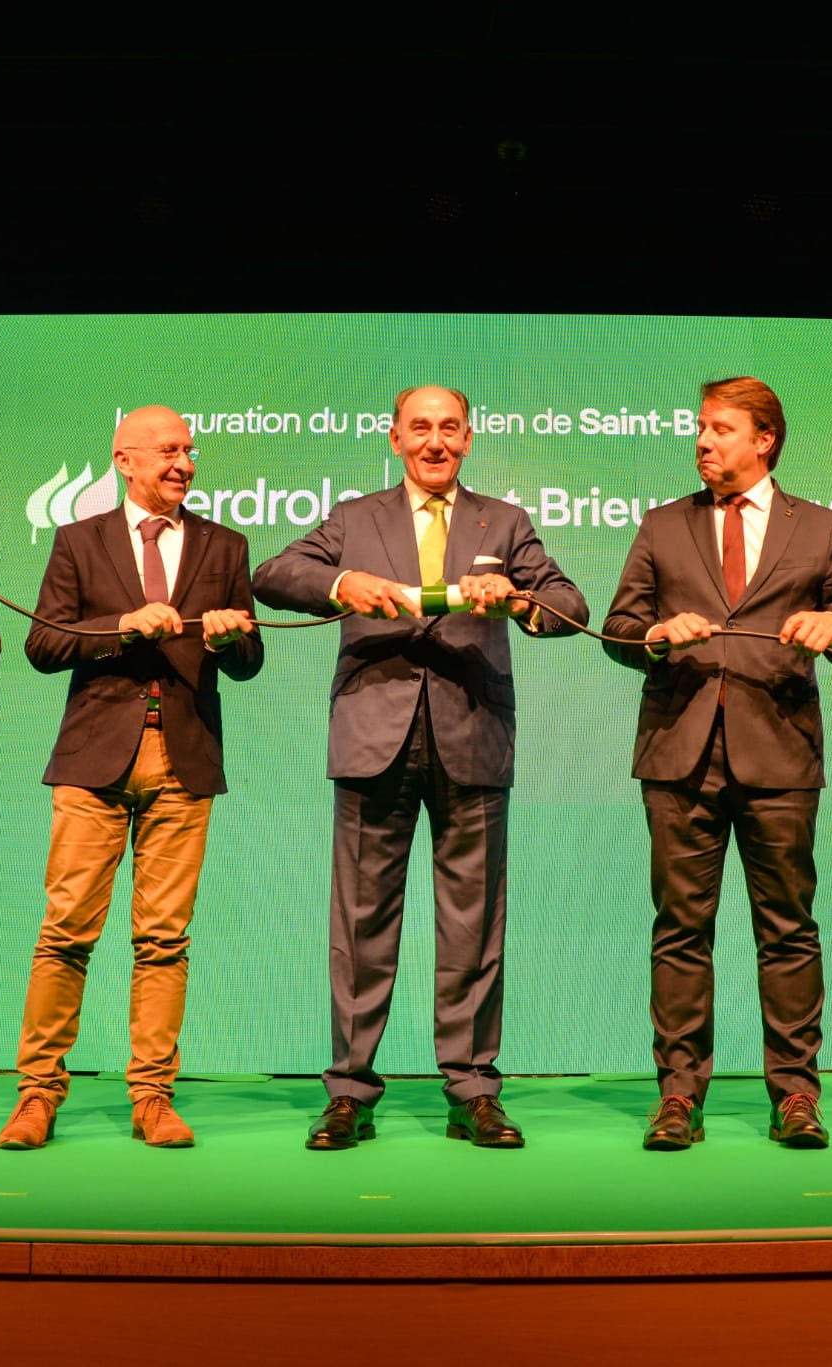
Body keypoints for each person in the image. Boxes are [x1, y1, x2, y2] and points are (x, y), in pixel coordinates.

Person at [252, 384, 586, 1151]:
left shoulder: (502, 520)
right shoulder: (354, 517)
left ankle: (473, 1089)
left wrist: (520, 598)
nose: (435, 441)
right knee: (360, 922)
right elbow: (272, 574)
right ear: (395, 436)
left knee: (473, 925)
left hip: (472, 736)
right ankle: (348, 1090)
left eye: (449, 428)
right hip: (375, 735)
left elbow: (571, 603)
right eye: (420, 428)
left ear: (468, 438)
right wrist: (341, 583)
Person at [601, 376, 832, 1151]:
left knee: (787, 929)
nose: (702, 441)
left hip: (780, 752)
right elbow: (620, 625)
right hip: (679, 752)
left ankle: (794, 1093)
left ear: (765, 439)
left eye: (720, 428)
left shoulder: (818, 528)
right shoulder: (662, 524)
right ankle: (679, 1094)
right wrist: (656, 634)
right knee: (680, 929)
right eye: (699, 428)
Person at [0, 405, 263, 1151]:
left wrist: (235, 636)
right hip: (93, 761)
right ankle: (37, 1093)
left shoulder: (224, 544)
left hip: (184, 759)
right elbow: (43, 644)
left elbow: (248, 663)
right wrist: (121, 627)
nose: (183, 462)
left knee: (164, 938)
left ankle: (152, 1097)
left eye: (189, 450)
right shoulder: (79, 541)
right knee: (65, 931)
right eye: (167, 450)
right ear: (124, 459)